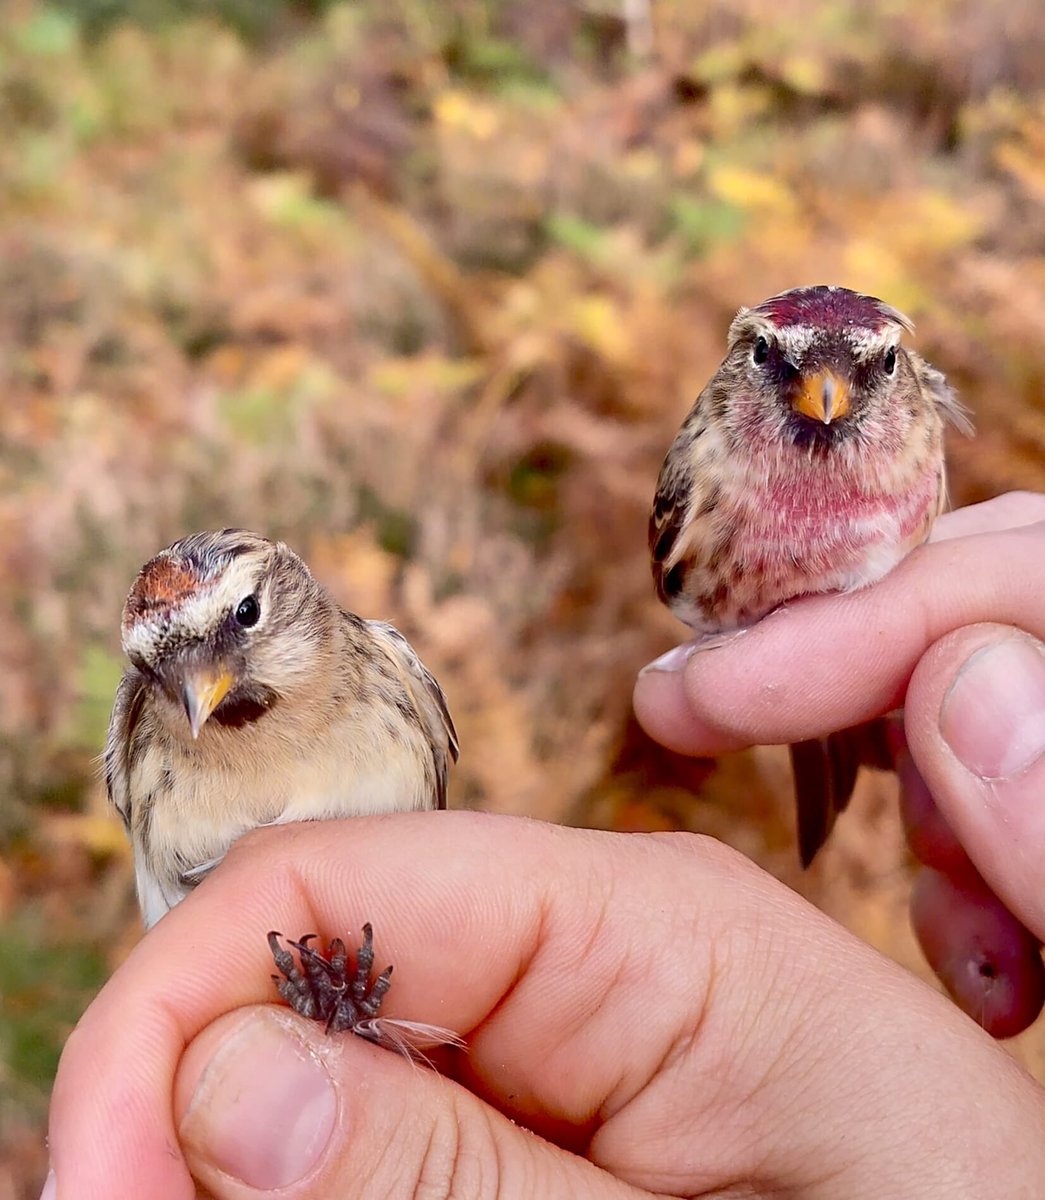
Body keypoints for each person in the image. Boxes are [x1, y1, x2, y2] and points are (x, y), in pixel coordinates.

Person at [44, 492, 1045, 1200]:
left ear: (290, 591)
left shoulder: (387, 670)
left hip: (395, 986)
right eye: (160, 673)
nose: (197, 691)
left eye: (240, 627)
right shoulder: (153, 743)